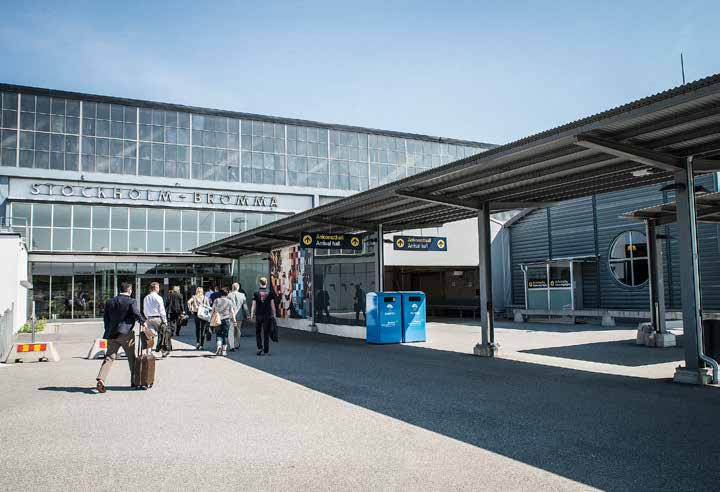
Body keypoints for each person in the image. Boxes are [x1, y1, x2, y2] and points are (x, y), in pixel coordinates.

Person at [96, 282, 145, 393]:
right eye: (131, 290)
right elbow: (136, 313)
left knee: (109, 357)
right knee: (132, 358)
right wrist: (143, 322)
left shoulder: (110, 301)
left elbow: (106, 319)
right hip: (126, 334)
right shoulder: (131, 301)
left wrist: (108, 330)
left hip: (112, 334)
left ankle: (101, 379)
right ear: (129, 290)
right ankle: (135, 382)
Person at [251, 277, 276, 356]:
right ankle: (266, 350)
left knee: (258, 332)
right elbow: (272, 305)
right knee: (266, 333)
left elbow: (253, 305)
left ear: (259, 283)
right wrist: (274, 314)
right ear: (266, 283)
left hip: (258, 315)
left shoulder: (256, 292)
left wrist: (252, 314)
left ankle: (259, 347)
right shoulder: (270, 293)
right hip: (267, 315)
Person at [143, 282, 169, 357]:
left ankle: (149, 351)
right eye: (158, 287)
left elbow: (144, 309)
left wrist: (147, 317)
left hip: (149, 318)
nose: (159, 289)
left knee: (150, 336)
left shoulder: (146, 298)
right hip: (157, 318)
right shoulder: (158, 297)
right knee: (162, 334)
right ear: (155, 288)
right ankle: (163, 351)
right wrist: (165, 320)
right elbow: (162, 310)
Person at [210, 288, 236, 356]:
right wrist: (234, 320)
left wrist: (210, 318)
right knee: (225, 335)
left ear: (220, 294)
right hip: (226, 319)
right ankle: (224, 351)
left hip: (217, 319)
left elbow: (213, 310)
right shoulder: (229, 301)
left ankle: (219, 346)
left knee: (218, 334)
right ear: (227, 294)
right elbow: (232, 312)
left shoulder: (216, 300)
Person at [227, 282, 248, 351]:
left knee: (231, 330)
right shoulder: (242, 295)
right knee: (238, 330)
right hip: (239, 316)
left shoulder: (229, 295)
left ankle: (232, 346)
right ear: (238, 288)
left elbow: (227, 306)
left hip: (230, 316)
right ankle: (237, 344)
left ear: (232, 287)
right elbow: (245, 306)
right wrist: (247, 314)